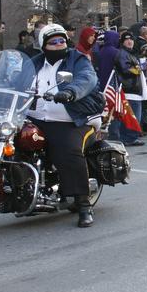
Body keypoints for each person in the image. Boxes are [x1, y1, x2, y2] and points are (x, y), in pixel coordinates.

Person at [27, 24, 104, 228]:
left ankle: (83, 204)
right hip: (34, 119)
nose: (59, 44)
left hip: (70, 120)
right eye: (53, 42)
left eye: (62, 40)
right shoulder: (33, 63)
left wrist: (70, 92)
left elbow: (87, 79)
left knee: (69, 150)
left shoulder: (76, 59)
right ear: (43, 45)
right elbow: (15, 80)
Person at [115, 31, 146, 146]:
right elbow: (125, 69)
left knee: (134, 116)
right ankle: (129, 138)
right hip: (129, 89)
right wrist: (139, 69)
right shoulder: (123, 53)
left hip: (133, 89)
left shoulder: (130, 53)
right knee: (132, 116)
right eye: (127, 40)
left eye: (131, 39)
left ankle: (130, 137)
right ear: (122, 42)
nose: (130, 42)